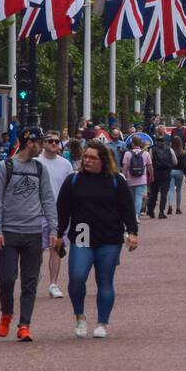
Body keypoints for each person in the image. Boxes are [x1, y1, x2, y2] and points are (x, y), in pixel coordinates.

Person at [57, 142, 138, 339]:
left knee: (105, 281)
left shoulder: (115, 180)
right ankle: (80, 317)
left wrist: (133, 232)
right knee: (76, 277)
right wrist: (58, 234)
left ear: (103, 160)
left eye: (92, 158)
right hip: (82, 234)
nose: (87, 160)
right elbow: (63, 209)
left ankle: (102, 322)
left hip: (109, 236)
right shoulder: (73, 180)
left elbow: (127, 208)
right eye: (85, 156)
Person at [0, 127, 59, 343]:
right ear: (30, 143)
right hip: (9, 232)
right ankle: (6, 313)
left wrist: (53, 228)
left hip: (33, 232)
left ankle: (24, 325)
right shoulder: (5, 167)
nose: (43, 146)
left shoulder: (39, 169)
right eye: (40, 142)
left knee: (30, 281)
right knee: (7, 278)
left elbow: (48, 199)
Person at [39, 131, 74, 299]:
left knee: (56, 247)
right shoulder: (36, 162)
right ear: (43, 143)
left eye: (56, 141)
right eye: (50, 141)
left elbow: (72, 188)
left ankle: (53, 283)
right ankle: (34, 274)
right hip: (38, 212)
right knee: (35, 249)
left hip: (59, 212)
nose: (54, 143)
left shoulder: (66, 164)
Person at [121, 135, 153, 219]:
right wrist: (152, 176)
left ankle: (132, 214)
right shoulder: (145, 153)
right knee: (139, 197)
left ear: (132, 143)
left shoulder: (127, 153)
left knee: (131, 198)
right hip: (141, 179)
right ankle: (136, 215)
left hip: (130, 179)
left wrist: (123, 177)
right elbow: (150, 167)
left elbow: (124, 168)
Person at [147, 130, 176, 219]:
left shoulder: (152, 149)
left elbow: (149, 162)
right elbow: (175, 161)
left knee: (154, 193)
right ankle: (161, 212)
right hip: (166, 174)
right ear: (165, 141)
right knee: (164, 193)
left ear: (156, 141)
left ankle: (151, 210)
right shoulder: (169, 149)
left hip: (155, 174)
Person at [166, 136, 186, 215]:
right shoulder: (182, 152)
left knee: (170, 189)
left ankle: (170, 205)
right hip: (179, 172)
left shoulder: (169, 151)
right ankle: (178, 208)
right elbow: (184, 165)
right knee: (178, 190)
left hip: (171, 171)